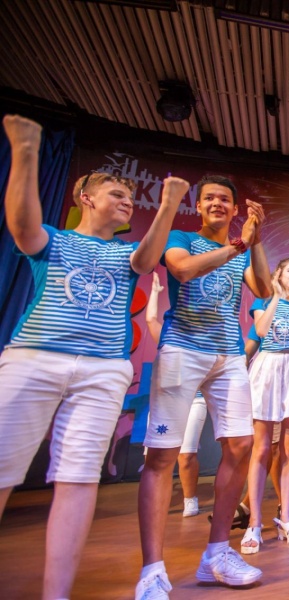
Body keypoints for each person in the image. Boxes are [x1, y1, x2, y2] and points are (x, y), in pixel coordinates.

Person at [0, 115, 185, 600]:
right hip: (34, 358)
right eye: (117, 194)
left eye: (131, 198)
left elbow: (147, 260)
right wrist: (26, 151)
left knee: (79, 477)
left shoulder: (128, 254)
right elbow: (22, 227)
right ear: (86, 198)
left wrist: (168, 204)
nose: (127, 202)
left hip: (103, 370)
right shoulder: (55, 240)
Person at [136, 175, 272, 598]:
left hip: (228, 355)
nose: (217, 203)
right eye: (209, 198)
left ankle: (216, 553)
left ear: (234, 209)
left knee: (241, 445)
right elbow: (181, 269)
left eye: (225, 199)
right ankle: (152, 571)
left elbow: (265, 289)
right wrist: (238, 245)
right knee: (162, 455)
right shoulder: (182, 238)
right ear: (198, 206)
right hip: (182, 349)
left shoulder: (240, 248)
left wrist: (256, 239)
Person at [241, 258, 289, 553]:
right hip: (268, 369)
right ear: (278, 274)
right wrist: (275, 295)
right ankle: (254, 522)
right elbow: (261, 331)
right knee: (261, 448)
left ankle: (285, 517)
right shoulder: (263, 301)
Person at [145, 271, 208, 518]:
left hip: (196, 400)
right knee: (158, 453)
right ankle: (154, 501)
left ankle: (190, 499)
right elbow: (151, 320)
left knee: (186, 454)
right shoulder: (168, 339)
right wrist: (155, 293)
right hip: (167, 400)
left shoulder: (205, 341)